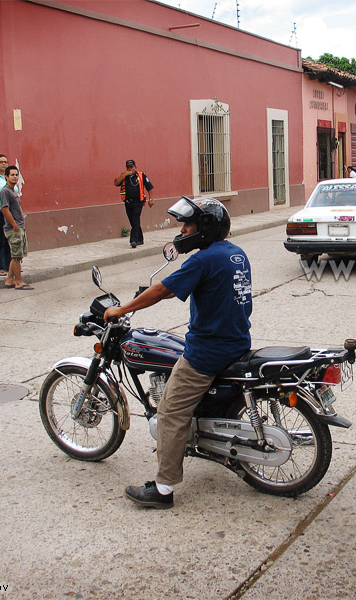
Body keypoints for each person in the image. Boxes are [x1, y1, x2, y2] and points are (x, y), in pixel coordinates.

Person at [104, 197, 252, 509]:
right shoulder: (235, 253)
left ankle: (163, 488)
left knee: (169, 412)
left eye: (188, 225)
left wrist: (123, 309)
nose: (183, 230)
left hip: (209, 349)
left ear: (205, 229)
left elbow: (161, 290)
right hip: (237, 341)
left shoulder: (202, 260)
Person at [1, 166, 33, 290]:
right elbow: (5, 209)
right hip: (14, 228)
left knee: (18, 256)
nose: (14, 177)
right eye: (12, 175)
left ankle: (9, 279)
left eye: (16, 174)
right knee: (16, 256)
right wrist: (14, 225)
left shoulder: (13, 190)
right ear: (6, 176)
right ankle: (18, 282)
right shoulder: (5, 191)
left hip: (19, 226)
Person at [114, 159, 154, 249]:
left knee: (135, 219)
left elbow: (150, 188)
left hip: (138, 202)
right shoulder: (124, 176)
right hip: (128, 202)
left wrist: (151, 200)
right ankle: (140, 238)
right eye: (128, 167)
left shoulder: (141, 175)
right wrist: (123, 175)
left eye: (131, 167)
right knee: (132, 221)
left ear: (135, 167)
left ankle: (133, 240)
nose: (130, 169)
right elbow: (116, 183)